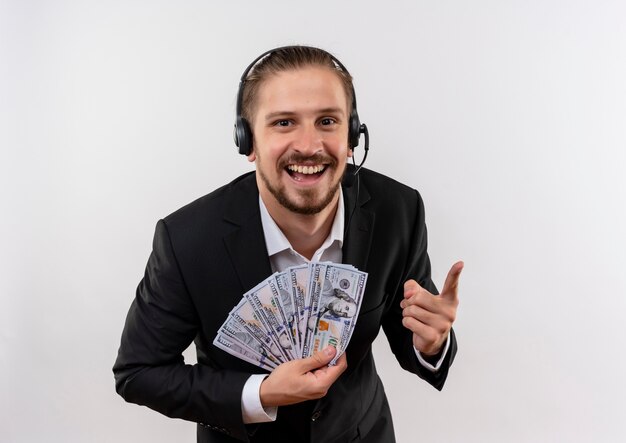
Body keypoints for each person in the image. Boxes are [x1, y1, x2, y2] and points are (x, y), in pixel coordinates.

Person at [113, 45, 463, 443]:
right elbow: (139, 372)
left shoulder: (399, 211)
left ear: (352, 134)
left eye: (327, 121)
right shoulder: (188, 239)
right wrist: (260, 395)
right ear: (247, 140)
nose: (309, 145)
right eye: (283, 123)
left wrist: (431, 342)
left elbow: (412, 338)